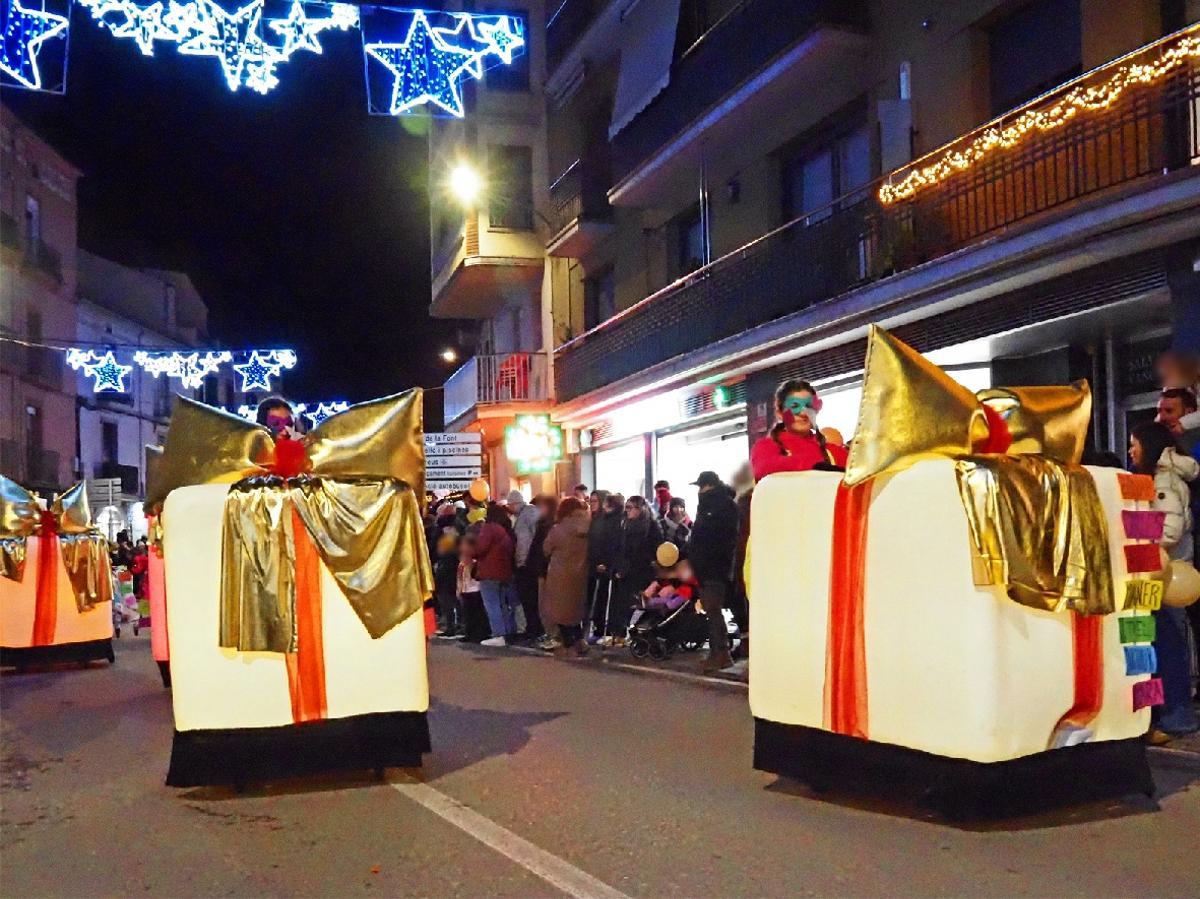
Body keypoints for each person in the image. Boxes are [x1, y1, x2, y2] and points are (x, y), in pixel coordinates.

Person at [1130, 421, 1200, 742]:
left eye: (1135, 444)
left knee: (1166, 650)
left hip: (1166, 578)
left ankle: (1175, 715)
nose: (1131, 450)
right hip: (1157, 576)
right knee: (1154, 650)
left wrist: (1133, 530)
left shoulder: (1165, 480)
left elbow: (1169, 531)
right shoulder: (1158, 478)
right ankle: (1158, 713)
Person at [687, 471, 740, 673]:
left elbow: (717, 539)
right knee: (711, 610)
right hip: (707, 566)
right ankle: (717, 653)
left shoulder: (721, 506)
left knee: (713, 610)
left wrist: (703, 559)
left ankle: (721, 653)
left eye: (701, 486)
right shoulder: (710, 505)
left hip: (715, 567)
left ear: (709, 486)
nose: (699, 491)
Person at [750, 379, 848, 481]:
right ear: (780, 413)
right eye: (794, 406)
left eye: (809, 406)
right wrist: (817, 465)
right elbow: (763, 469)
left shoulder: (834, 451)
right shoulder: (766, 447)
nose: (803, 413)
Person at [543, 497, 592, 658]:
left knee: (560, 613)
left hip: (560, 575)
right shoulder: (587, 525)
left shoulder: (559, 529)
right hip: (580, 574)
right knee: (575, 611)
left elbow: (546, 549)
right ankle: (580, 642)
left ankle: (569, 645)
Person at [612, 495, 663, 644]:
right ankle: (622, 633)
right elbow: (621, 548)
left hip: (644, 571)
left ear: (640, 509)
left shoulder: (651, 526)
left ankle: (640, 633)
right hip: (627, 571)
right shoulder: (625, 525)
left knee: (641, 603)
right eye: (626, 507)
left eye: (630, 508)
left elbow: (656, 548)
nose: (627, 511)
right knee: (624, 604)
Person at [473, 503, 518, 646]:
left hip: (489, 571)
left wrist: (472, 549)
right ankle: (508, 632)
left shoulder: (489, 529)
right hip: (504, 571)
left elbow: (480, 548)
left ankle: (498, 634)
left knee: (491, 604)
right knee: (502, 604)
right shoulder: (505, 531)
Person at [587, 492, 624, 640]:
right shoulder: (599, 519)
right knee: (600, 599)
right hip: (599, 565)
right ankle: (600, 627)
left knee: (607, 598)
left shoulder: (615, 521)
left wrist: (606, 563)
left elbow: (613, 544)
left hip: (608, 566)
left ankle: (607, 630)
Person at [506, 490, 542, 641]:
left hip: (528, 563)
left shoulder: (529, 513)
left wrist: (530, 558)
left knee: (530, 599)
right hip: (523, 563)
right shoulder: (522, 516)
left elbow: (535, 535)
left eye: (510, 504)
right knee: (526, 600)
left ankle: (535, 629)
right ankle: (532, 628)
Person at [527, 495, 560, 650]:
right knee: (543, 605)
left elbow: (545, 549)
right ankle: (550, 634)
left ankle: (553, 635)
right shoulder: (543, 524)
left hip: (547, 570)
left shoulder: (550, 526)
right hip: (541, 569)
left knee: (547, 605)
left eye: (542, 507)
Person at [457, 533, 489, 643]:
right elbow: (460, 577)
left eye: (464, 545)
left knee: (477, 613)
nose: (462, 547)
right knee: (468, 613)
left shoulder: (475, 561)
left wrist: (469, 562)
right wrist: (459, 590)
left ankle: (479, 633)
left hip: (475, 590)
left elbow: (475, 575)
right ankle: (469, 633)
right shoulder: (462, 562)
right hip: (465, 590)